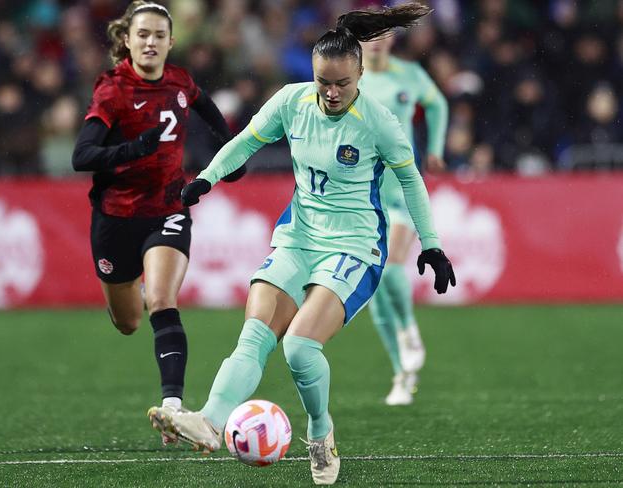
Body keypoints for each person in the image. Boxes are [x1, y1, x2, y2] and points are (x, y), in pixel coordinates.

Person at [149, 3, 455, 485]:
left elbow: (412, 181)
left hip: (354, 247)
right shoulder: (292, 101)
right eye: (323, 82)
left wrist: (431, 245)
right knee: (253, 335)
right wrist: (204, 179)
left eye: (342, 84)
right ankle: (208, 422)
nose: (331, 93)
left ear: (359, 75)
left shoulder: (377, 121)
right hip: (298, 235)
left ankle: (320, 432)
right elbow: (246, 141)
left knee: (298, 348)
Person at [71, 1, 245, 446]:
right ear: (127, 40)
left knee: (163, 299)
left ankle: (172, 411)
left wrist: (231, 154)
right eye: (142, 34)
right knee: (128, 321)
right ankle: (126, 294)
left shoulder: (181, 82)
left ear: (171, 42)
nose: (150, 42)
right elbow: (82, 156)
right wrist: (133, 149)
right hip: (115, 218)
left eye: (158, 35)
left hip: (167, 208)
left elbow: (212, 116)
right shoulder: (112, 90)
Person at [359, 25, 449, 406]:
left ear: (392, 40)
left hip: (401, 190)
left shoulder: (409, 75)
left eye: (382, 35)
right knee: (375, 290)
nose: (377, 42)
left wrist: (436, 147)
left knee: (392, 263)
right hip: (363, 194)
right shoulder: (350, 80)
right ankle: (401, 374)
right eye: (369, 36)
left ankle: (410, 328)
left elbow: (438, 104)